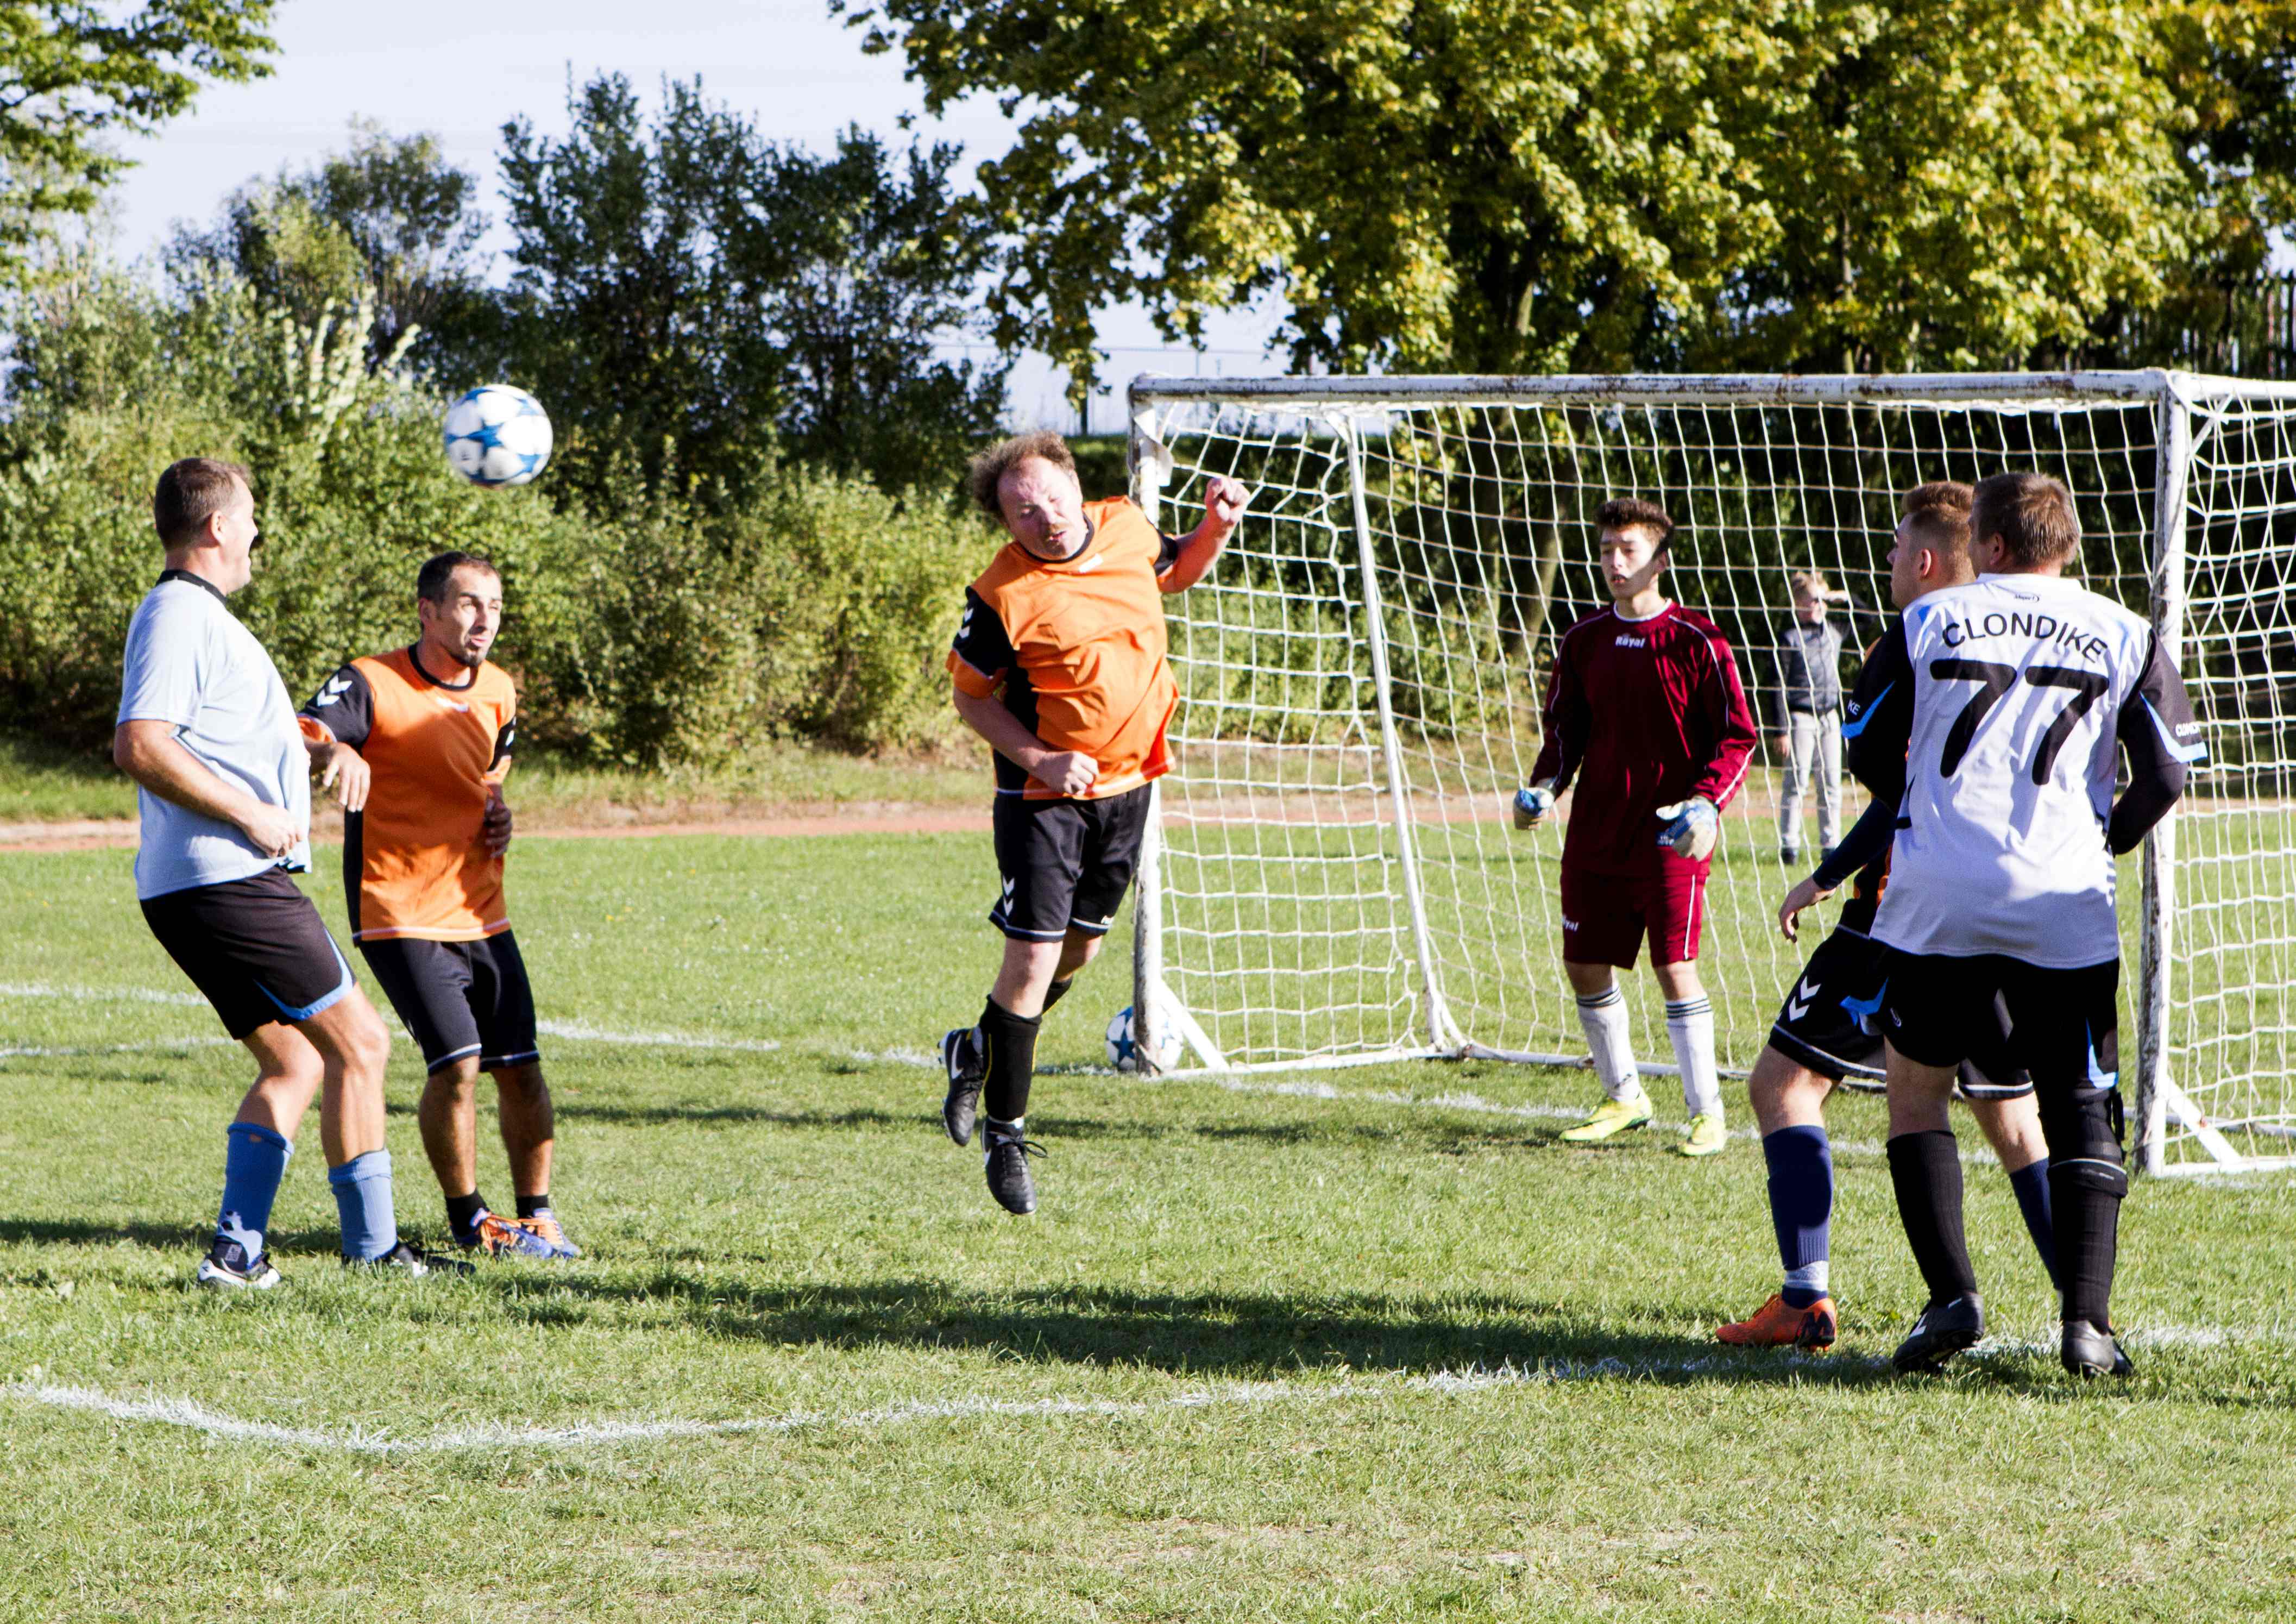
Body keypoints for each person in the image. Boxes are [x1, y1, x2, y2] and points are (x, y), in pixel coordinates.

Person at [1846, 472, 2203, 1378]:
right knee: (2082, 1108)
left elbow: (1861, 740)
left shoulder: (1929, 619)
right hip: (2063, 897)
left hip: (1936, 896)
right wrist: (2103, 835)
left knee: (1917, 1091)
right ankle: (2086, 1325)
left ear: (1990, 545)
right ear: (2069, 545)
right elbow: (2166, 771)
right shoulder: (2125, 632)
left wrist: (1928, 803)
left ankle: (1951, 1297)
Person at [1716, 484, 2058, 1351]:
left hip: (1896, 919)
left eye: (1897, 546)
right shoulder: (2018, 642)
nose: (1887, 563)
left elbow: (1889, 779)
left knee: (1783, 1086)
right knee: (2011, 1117)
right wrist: (1827, 871)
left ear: (1924, 560)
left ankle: (1807, 1295)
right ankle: (2083, 1305)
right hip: (2001, 915)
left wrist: (1836, 877)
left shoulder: (1911, 641)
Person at [112, 458, 464, 1287]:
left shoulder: (206, 620)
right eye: (252, 521)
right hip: (227, 878)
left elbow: (249, 732)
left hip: (197, 886)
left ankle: (236, 1254)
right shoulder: (178, 614)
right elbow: (141, 743)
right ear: (218, 528)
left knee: (298, 1062)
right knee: (362, 1043)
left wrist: (330, 749)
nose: (258, 539)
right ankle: (376, 1252)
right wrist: (250, 813)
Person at [938, 432, 1248, 1215]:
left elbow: (1171, 570)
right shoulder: (998, 595)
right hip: (1043, 802)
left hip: (1129, 784)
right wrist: (1040, 758)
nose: (1041, 517)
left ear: (1074, 486)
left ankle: (975, 1050)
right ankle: (1006, 1135)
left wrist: (1212, 529)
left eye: (1047, 497)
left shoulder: (1126, 526)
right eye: (1020, 510)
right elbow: (970, 697)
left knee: (1084, 948)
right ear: (1006, 525)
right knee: (1033, 962)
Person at [297, 552, 575, 1260]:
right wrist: (339, 755)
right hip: (397, 908)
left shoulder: (501, 692)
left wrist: (499, 814)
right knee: (456, 1063)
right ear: (427, 610)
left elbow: (488, 781)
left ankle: (537, 1216)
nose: (484, 619)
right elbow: (304, 731)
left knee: (520, 1066)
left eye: (494, 605)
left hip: (482, 907)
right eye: (468, 603)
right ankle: (470, 1219)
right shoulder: (371, 679)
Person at [1513, 497, 1759, 1158]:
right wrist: (1542, 790)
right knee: (1583, 963)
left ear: (1661, 559)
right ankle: (1624, 1095)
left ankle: (1707, 1112)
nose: (1614, 562)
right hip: (1596, 830)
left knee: (1675, 967)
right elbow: (1565, 733)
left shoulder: (1700, 641)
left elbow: (1738, 738)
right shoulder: (1582, 639)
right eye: (1606, 549)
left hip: (1669, 832)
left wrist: (1706, 805)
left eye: (1628, 549)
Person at [1773, 569, 1849, 865]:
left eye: (1820, 601)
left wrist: (1835, 598)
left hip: (1830, 718)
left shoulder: (1835, 630)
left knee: (1831, 782)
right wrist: (1781, 729)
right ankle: (1789, 847)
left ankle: (1830, 845)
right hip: (1800, 718)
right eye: (1811, 601)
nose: (1816, 606)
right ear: (1797, 604)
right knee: (1797, 783)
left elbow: (1866, 614)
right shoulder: (1789, 637)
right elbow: (1777, 685)